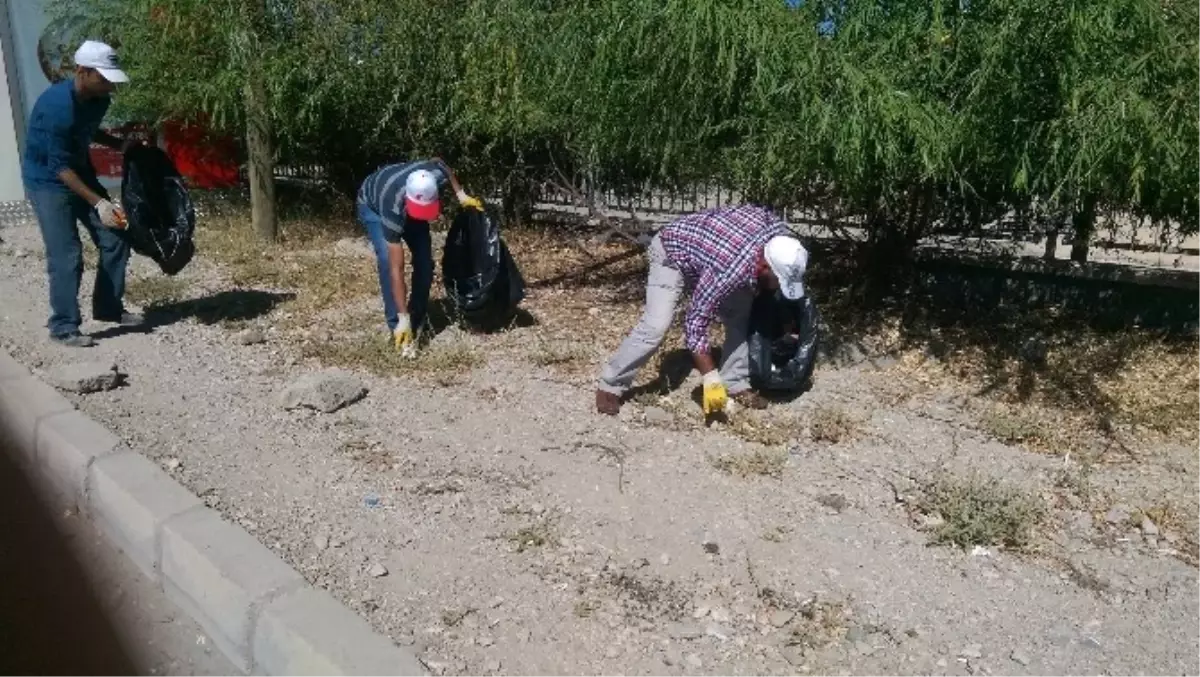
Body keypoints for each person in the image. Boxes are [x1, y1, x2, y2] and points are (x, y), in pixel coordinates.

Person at [595, 204, 809, 417]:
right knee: (656, 326)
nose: (777, 286)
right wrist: (710, 379)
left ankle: (734, 382)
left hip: (710, 249)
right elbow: (695, 322)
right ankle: (611, 385)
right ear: (762, 266)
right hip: (671, 252)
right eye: (776, 280)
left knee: (743, 316)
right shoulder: (727, 269)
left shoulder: (782, 239)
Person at [21, 40, 143, 347]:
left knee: (116, 238)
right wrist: (99, 201)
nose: (110, 87)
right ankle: (63, 325)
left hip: (80, 172)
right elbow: (59, 167)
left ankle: (108, 308)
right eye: (104, 79)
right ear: (82, 71)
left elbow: (87, 131)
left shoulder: (98, 98)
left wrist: (119, 145)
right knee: (67, 255)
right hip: (48, 180)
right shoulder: (56, 106)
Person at [356, 158, 482, 356]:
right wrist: (402, 317)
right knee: (386, 261)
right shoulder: (392, 207)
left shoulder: (434, 177)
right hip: (373, 205)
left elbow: (441, 163)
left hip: (407, 198)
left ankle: (417, 316)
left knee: (424, 261)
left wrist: (461, 194)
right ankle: (398, 325)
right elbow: (396, 268)